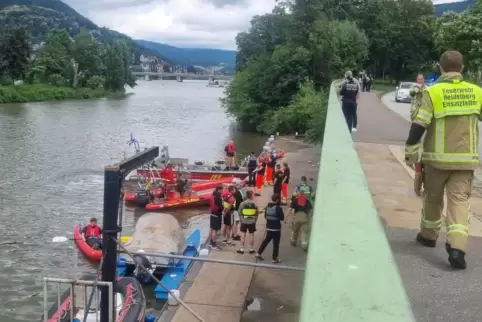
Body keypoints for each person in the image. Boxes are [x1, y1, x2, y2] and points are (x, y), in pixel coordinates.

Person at [404, 50, 482, 270]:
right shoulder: (477, 92)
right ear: (462, 68)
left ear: (441, 68)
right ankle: (457, 249)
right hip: (465, 163)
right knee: (459, 204)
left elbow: (419, 125)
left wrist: (411, 152)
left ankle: (428, 236)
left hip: (436, 162)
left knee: (433, 199)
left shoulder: (433, 93)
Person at [256, 193, 284, 263]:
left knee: (266, 240)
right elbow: (282, 218)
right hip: (276, 228)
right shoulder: (278, 208)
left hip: (269, 227)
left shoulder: (267, 207)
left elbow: (265, 217)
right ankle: (274, 258)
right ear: (277, 200)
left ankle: (259, 253)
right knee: (276, 243)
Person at [237, 190, 259, 254]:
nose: (254, 196)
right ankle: (251, 249)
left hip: (244, 222)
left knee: (243, 235)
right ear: (251, 196)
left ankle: (242, 249)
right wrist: (255, 220)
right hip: (252, 222)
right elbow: (256, 213)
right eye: (253, 194)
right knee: (251, 235)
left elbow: (239, 212)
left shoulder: (242, 203)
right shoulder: (254, 204)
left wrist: (241, 219)